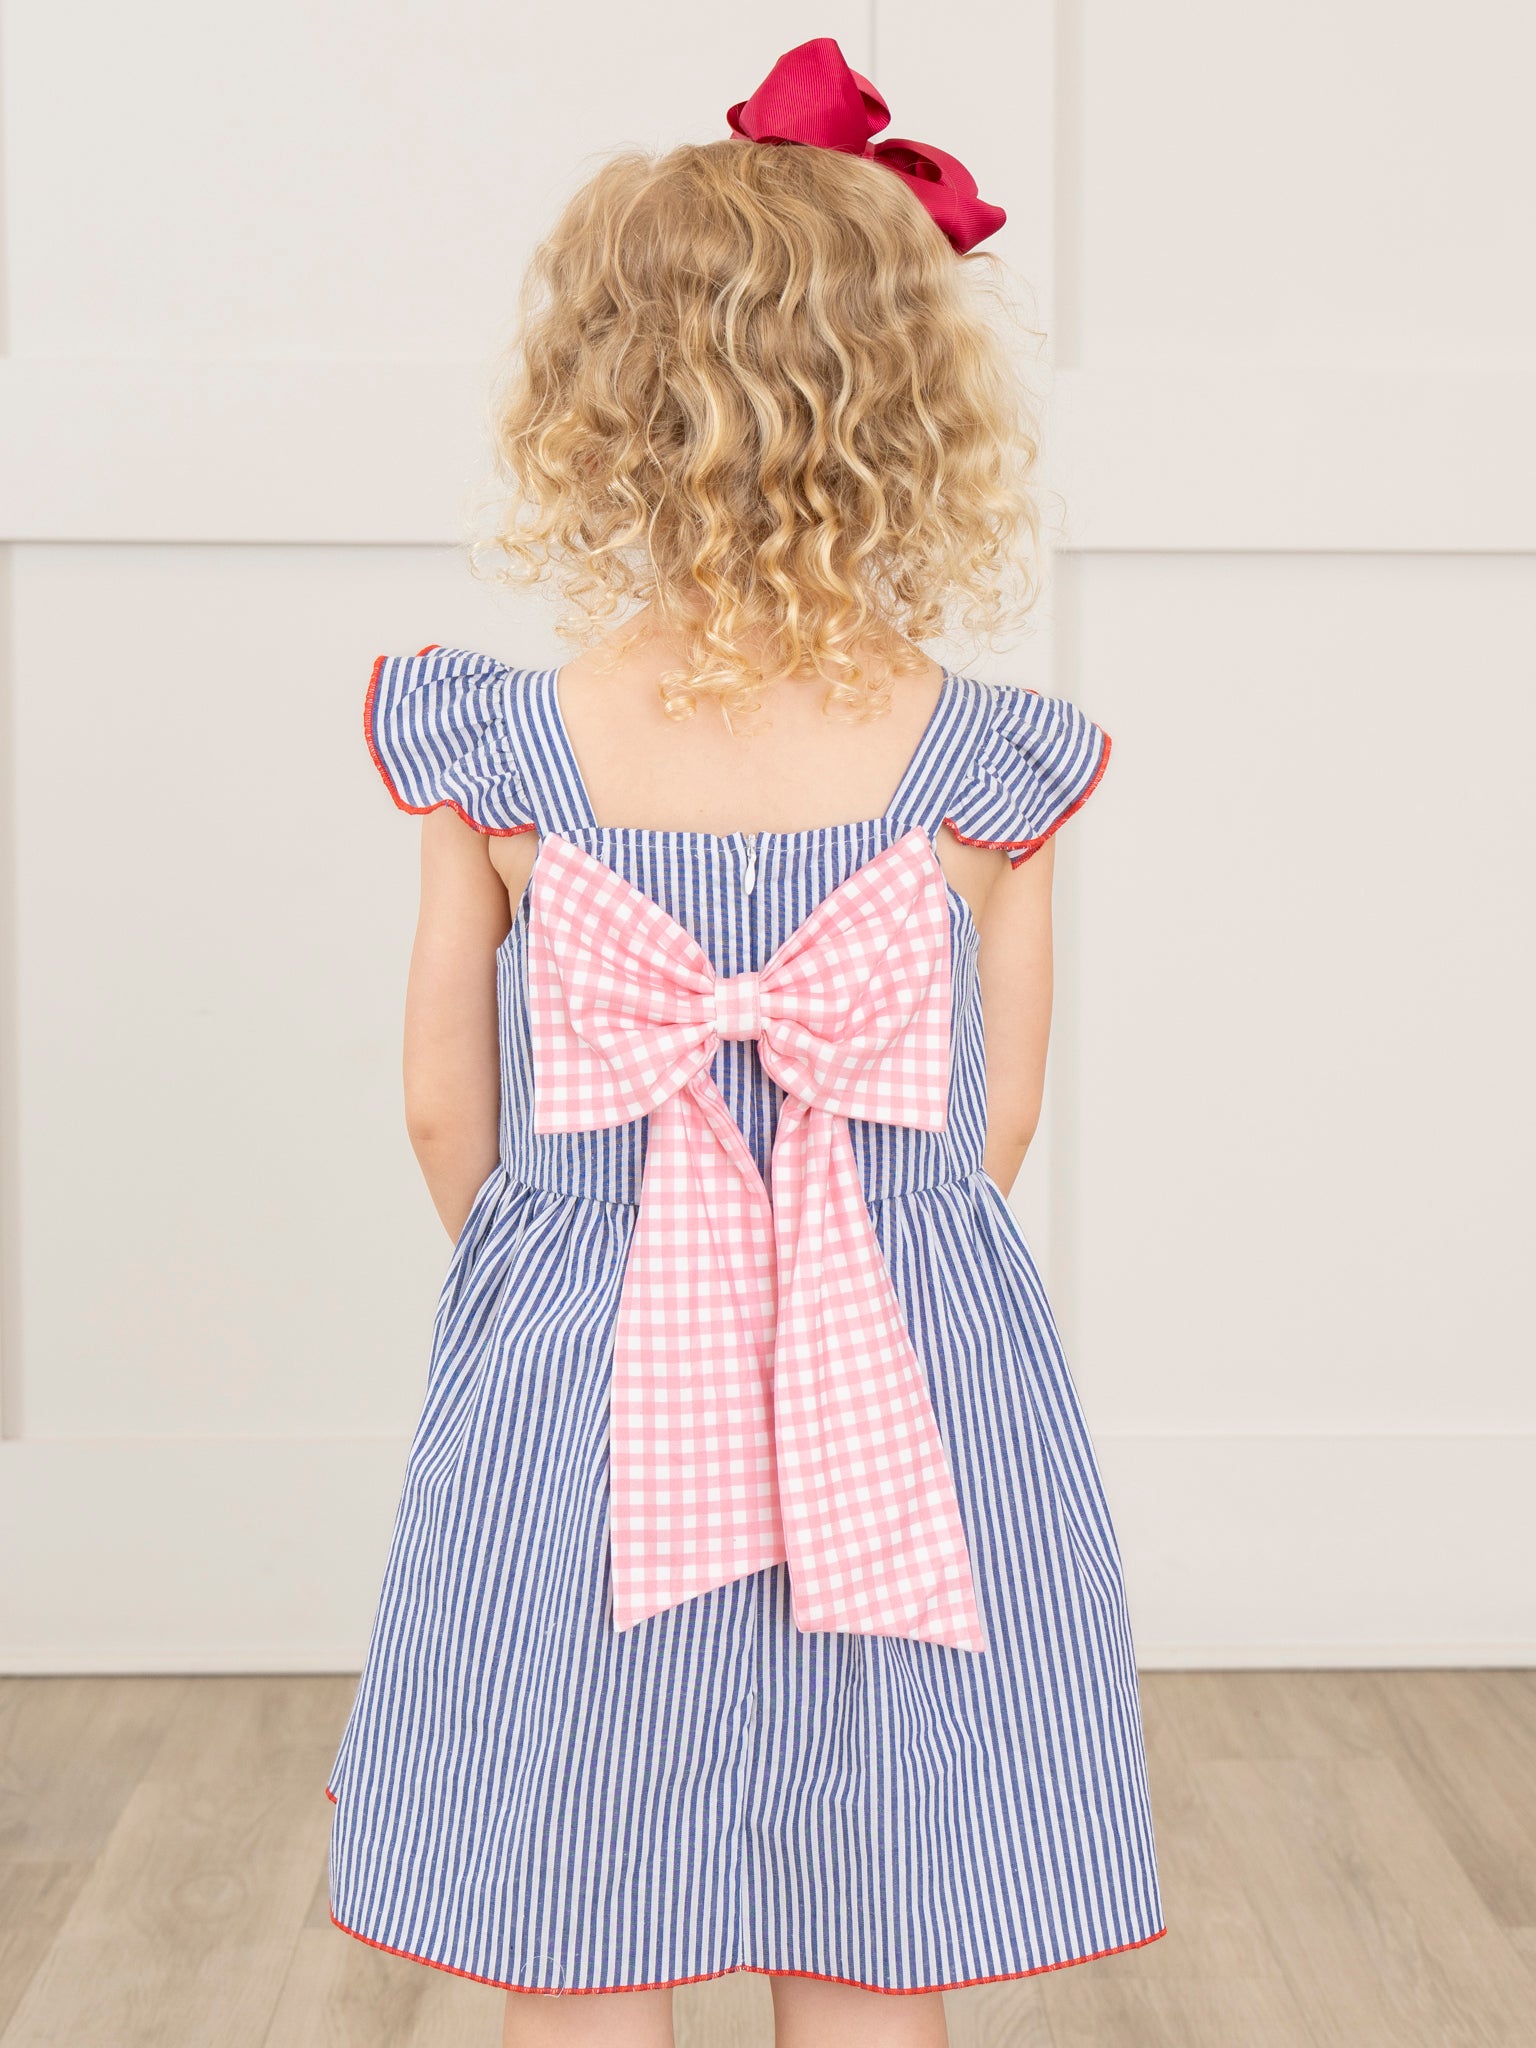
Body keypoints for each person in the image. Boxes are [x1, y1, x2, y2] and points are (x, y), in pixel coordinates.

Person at [325, 36, 1165, 2048]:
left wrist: (581, 1265)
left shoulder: (499, 752)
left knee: (583, 1923)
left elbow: (444, 1109)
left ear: (601, 408)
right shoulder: (992, 774)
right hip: (896, 1388)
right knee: (872, 1919)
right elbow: (990, 1131)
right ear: (916, 412)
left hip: (587, 1380)